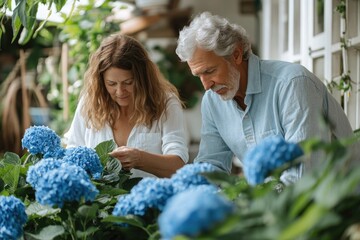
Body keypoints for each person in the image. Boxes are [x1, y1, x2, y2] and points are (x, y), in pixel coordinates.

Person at [175, 11, 357, 184]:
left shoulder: (292, 83)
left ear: (236, 55)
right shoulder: (212, 102)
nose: (206, 85)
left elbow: (303, 173)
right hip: (278, 205)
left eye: (210, 71)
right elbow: (211, 166)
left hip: (339, 202)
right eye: (198, 75)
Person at [64, 33, 189, 178]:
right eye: (111, 84)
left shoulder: (165, 104)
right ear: (101, 82)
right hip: (101, 199)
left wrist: (140, 159)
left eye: (128, 83)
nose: (120, 91)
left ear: (143, 79)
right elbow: (72, 153)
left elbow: (177, 166)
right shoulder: (90, 103)